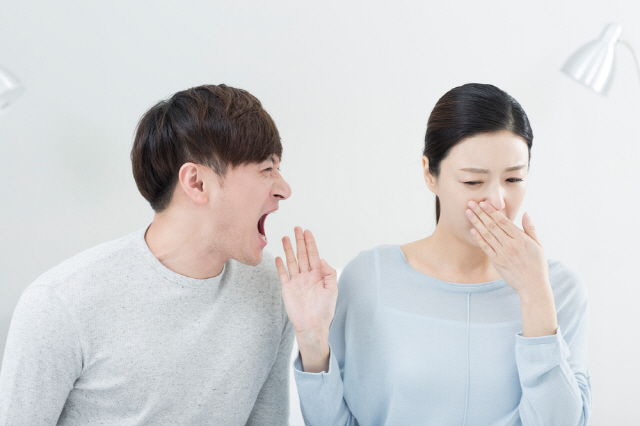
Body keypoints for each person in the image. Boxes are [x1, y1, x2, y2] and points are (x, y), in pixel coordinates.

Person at [277, 83, 591, 425]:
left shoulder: (558, 289)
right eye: (473, 182)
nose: (497, 202)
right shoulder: (370, 278)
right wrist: (311, 342)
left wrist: (535, 296)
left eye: (514, 179)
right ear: (429, 173)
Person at [0, 84, 294, 425]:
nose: (284, 189)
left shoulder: (272, 289)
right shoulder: (59, 304)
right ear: (197, 183)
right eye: (267, 169)